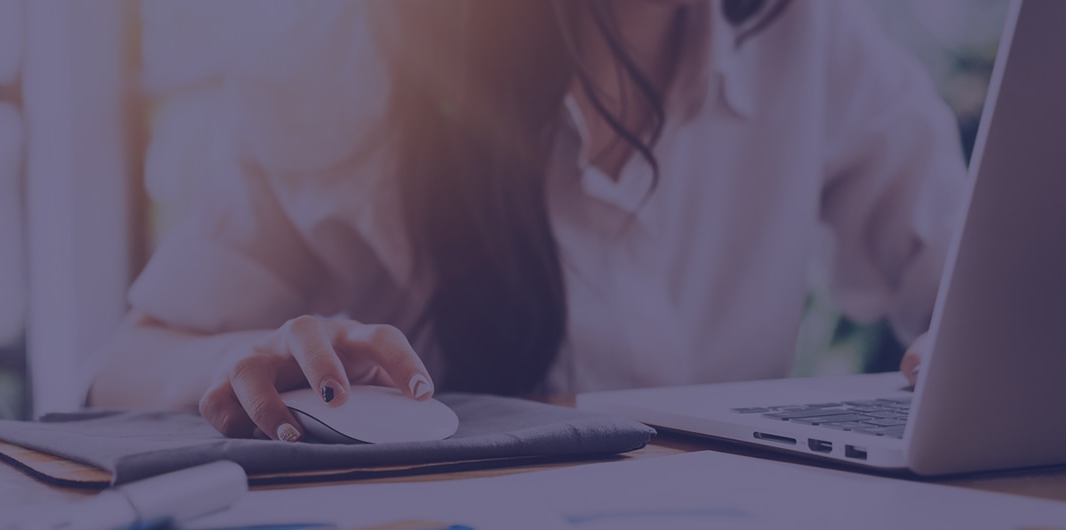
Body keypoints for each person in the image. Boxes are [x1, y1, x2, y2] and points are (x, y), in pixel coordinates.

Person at [91, 0, 964, 443]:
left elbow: (975, 288)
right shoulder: (345, 51)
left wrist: (962, 348)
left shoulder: (813, 39)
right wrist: (242, 361)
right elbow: (127, 366)